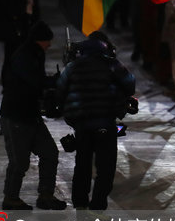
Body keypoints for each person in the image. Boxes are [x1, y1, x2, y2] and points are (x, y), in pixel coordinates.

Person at [56, 31, 136, 210]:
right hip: (105, 122)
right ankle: (98, 202)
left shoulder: (73, 67)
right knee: (105, 166)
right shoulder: (111, 64)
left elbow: (59, 90)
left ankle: (80, 201)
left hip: (82, 124)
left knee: (82, 164)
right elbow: (130, 84)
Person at [0, 21, 66, 210]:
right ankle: (11, 198)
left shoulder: (35, 54)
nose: (50, 45)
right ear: (40, 40)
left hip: (30, 115)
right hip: (17, 116)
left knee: (49, 153)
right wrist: (53, 81)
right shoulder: (24, 56)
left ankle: (46, 195)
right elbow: (34, 81)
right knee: (19, 161)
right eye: (47, 41)